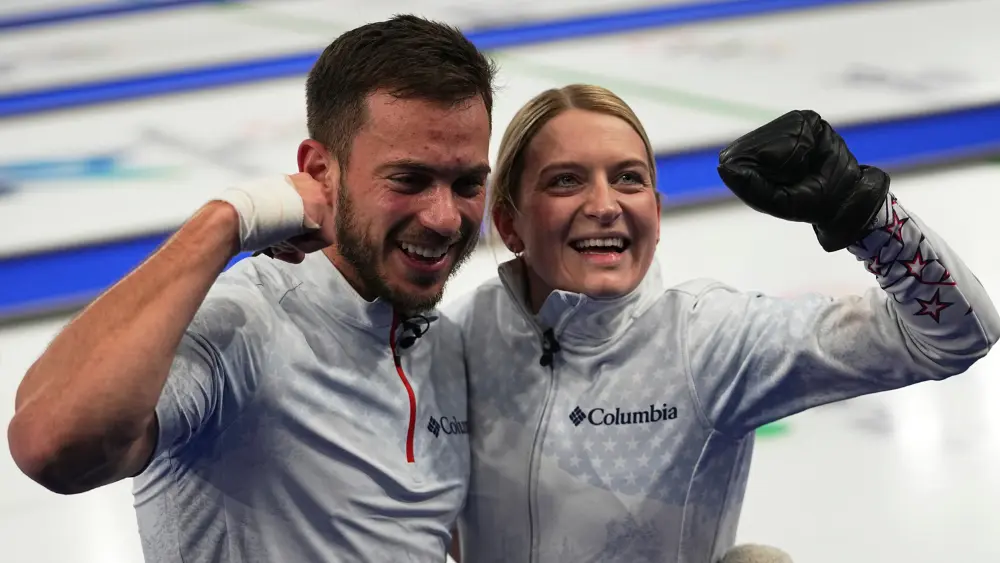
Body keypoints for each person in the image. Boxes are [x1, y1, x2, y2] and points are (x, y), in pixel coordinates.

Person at [8, 15, 496, 563]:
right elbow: (51, 448)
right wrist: (223, 222)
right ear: (320, 171)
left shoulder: (445, 348)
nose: (444, 218)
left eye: (467, 184)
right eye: (409, 179)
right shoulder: (242, 324)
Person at [444, 84, 1000, 562]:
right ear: (508, 223)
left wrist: (861, 213)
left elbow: (954, 335)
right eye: (566, 181)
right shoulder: (461, 338)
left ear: (656, 214)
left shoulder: (710, 339)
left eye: (629, 179)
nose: (605, 204)